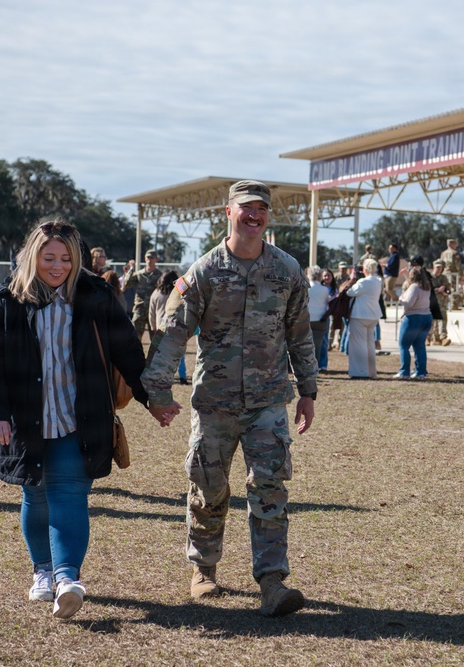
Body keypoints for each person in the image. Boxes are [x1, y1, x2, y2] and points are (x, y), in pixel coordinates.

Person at [141, 180, 317, 617]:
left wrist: (308, 390)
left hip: (268, 402)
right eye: (246, 208)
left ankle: (272, 582)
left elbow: (300, 334)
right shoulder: (203, 271)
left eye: (261, 209)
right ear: (228, 212)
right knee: (208, 487)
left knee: (270, 488)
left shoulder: (287, 270)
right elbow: (172, 332)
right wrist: (158, 391)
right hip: (215, 403)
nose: (254, 216)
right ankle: (203, 570)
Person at [0, 218, 167, 620]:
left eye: (66, 258)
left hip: (79, 417)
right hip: (26, 418)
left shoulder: (96, 295)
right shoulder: (7, 300)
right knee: (35, 494)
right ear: (32, 256)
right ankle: (42, 571)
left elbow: (128, 353)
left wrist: (153, 399)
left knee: (69, 494)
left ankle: (67, 578)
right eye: (49, 257)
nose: (58, 266)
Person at [339, 258, 382, 379]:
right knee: (369, 344)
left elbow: (350, 292)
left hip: (360, 315)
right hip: (373, 315)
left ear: (366, 269)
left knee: (358, 344)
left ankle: (360, 372)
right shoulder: (378, 281)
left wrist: (353, 278)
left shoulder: (363, 282)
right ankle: (371, 371)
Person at [147, 270, 188, 385]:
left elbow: (151, 312)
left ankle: (162, 376)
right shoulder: (179, 292)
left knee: (162, 355)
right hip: (178, 326)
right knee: (180, 354)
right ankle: (182, 376)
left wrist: (153, 327)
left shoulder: (156, 293)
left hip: (161, 327)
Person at [395, 265, 433, 379]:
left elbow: (409, 303)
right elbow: (413, 288)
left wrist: (401, 298)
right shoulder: (426, 287)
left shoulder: (414, 287)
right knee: (419, 345)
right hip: (426, 317)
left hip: (413, 318)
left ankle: (404, 371)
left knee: (403, 345)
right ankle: (421, 372)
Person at [123, 249, 162, 342]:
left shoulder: (160, 275)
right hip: (140, 309)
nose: (149, 260)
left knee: (156, 339)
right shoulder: (139, 274)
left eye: (152, 258)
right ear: (145, 259)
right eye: (148, 258)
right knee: (135, 337)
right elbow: (127, 283)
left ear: (156, 259)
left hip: (153, 311)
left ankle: (153, 357)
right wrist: (131, 269)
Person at [306, 266, 331, 374]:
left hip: (307, 319)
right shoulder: (324, 289)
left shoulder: (306, 288)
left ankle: (307, 367)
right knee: (318, 345)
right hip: (320, 320)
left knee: (306, 345)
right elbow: (327, 303)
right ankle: (316, 367)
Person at [427, 260, 452, 346]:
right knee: (431, 321)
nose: (439, 269)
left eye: (440, 267)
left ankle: (443, 338)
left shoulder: (444, 278)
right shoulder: (429, 278)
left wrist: (446, 292)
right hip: (432, 302)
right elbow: (427, 290)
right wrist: (438, 290)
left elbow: (449, 289)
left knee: (443, 320)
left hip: (442, 303)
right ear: (433, 267)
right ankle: (427, 338)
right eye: (437, 267)